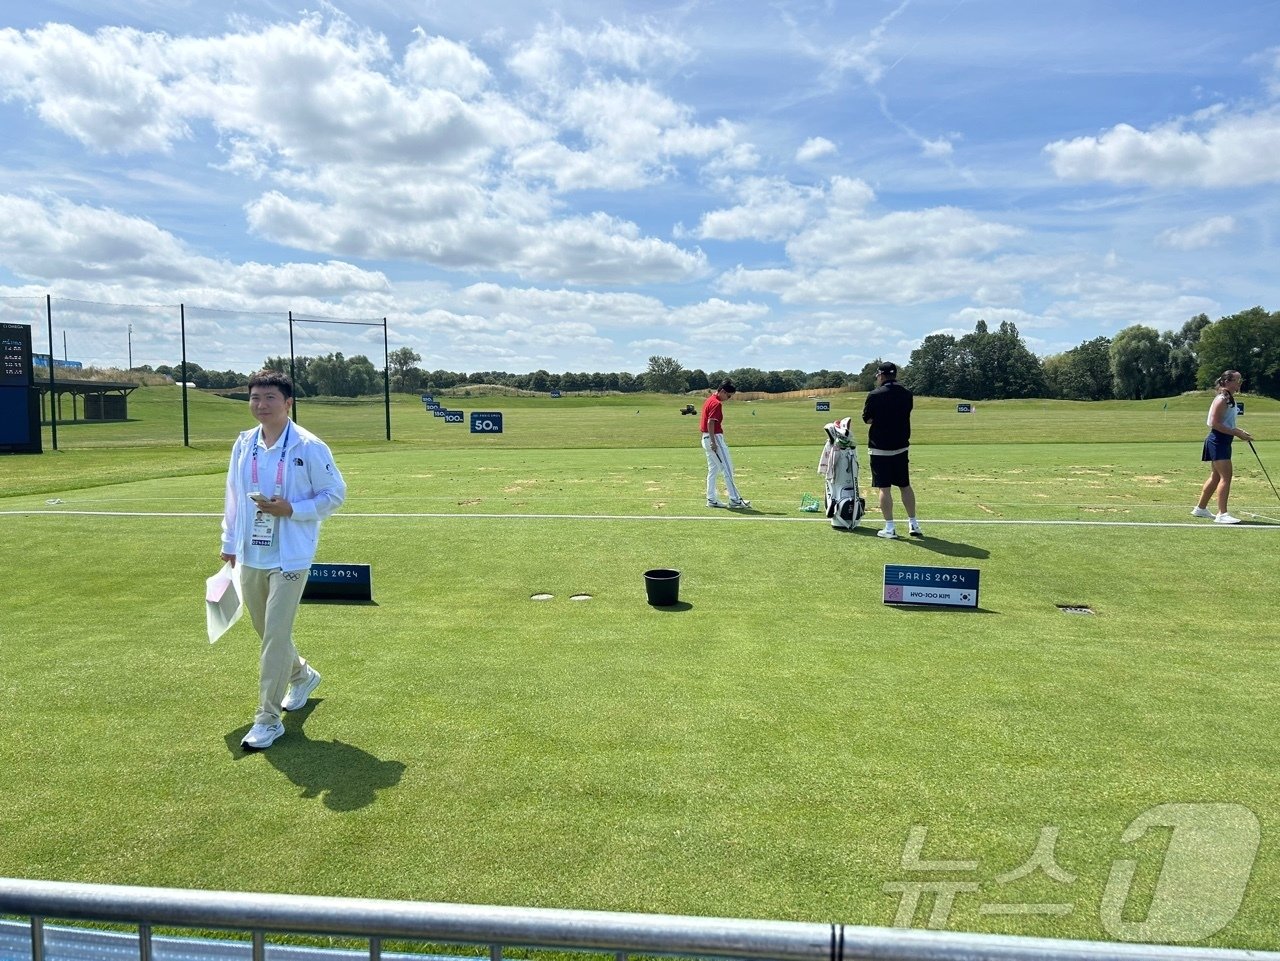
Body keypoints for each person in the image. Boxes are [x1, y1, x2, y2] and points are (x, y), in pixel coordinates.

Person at [220, 370, 346, 749]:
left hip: (290, 556)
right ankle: (302, 674)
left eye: (270, 397)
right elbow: (233, 495)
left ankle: (268, 719)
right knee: (266, 631)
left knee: (274, 636)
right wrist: (229, 540)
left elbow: (334, 494)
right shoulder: (244, 444)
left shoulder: (308, 446)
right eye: (255, 397)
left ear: (288, 403)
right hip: (251, 553)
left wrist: (293, 509)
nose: (261, 404)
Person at [861, 362, 921, 539]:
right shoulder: (907, 394)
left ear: (881, 375)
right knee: (905, 485)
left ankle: (889, 527)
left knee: (884, 488)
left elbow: (868, 419)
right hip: (901, 446)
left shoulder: (874, 395)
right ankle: (913, 523)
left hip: (880, 447)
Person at [1192, 370, 1253, 525]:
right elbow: (1214, 423)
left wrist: (1238, 431)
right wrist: (1236, 433)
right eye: (1237, 380)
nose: (1240, 383)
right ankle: (1222, 514)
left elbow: (1226, 423)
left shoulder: (1228, 398)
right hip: (1217, 440)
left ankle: (1201, 508)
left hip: (1223, 440)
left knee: (1216, 477)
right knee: (1226, 477)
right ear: (1227, 381)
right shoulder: (1222, 399)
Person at [700, 379, 750, 509]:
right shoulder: (716, 403)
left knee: (713, 470)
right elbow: (711, 423)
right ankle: (734, 499)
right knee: (727, 469)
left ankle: (711, 499)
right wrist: (713, 442)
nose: (728, 398)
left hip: (706, 438)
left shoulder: (709, 400)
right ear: (722, 391)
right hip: (714, 438)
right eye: (728, 395)